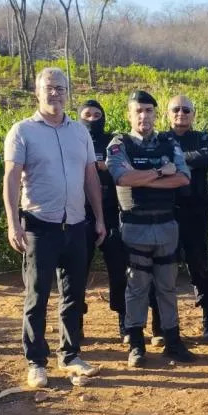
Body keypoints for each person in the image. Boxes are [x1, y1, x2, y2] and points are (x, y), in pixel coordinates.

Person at [3, 67, 105, 388]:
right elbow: (11, 179)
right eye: (49, 87)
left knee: (73, 295)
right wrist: (13, 223)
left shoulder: (80, 133)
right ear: (37, 91)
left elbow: (90, 177)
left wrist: (99, 218)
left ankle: (70, 355)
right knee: (37, 296)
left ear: (67, 92)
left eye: (60, 88)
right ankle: (36, 361)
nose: (55, 93)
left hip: (74, 225)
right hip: (39, 226)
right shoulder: (22, 131)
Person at [108, 90, 196, 368]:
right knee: (137, 286)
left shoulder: (168, 143)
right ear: (129, 115)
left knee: (167, 286)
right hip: (135, 227)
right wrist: (159, 173)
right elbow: (122, 177)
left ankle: (172, 341)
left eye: (149, 111)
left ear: (156, 115)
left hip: (166, 225)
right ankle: (136, 344)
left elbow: (183, 178)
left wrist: (143, 179)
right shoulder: (119, 144)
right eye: (138, 111)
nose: (144, 116)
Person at [163, 94, 208, 341]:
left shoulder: (203, 137)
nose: (181, 114)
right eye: (176, 109)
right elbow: (158, 160)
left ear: (193, 114)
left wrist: (174, 161)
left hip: (196, 213)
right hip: (167, 212)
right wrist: (188, 160)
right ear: (167, 113)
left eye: (186, 110)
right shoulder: (161, 139)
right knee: (164, 269)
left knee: (199, 266)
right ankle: (162, 325)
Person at [78, 99, 127, 341]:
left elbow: (123, 166)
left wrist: (104, 166)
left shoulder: (114, 141)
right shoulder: (74, 140)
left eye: (97, 115)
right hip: (81, 215)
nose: (92, 119)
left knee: (119, 271)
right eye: (87, 115)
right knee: (77, 272)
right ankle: (75, 323)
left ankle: (124, 321)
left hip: (112, 215)